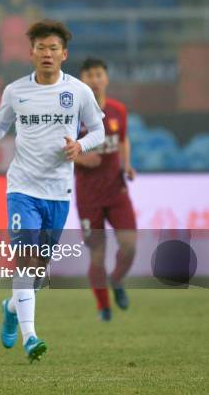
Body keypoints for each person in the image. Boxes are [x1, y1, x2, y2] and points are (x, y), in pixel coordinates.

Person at [0, 20, 105, 362]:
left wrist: (80, 145)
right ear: (31, 53)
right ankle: (30, 337)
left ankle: (10, 308)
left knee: (38, 269)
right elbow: (0, 125)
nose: (47, 54)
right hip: (22, 188)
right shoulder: (15, 91)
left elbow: (100, 131)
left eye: (53, 48)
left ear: (64, 54)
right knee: (26, 259)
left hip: (58, 191)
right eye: (41, 48)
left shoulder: (78, 92)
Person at [75, 57, 137, 322]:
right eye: (89, 75)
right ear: (81, 81)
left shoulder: (118, 110)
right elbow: (57, 148)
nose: (95, 79)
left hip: (116, 191)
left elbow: (122, 140)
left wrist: (127, 164)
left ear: (106, 78)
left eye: (99, 74)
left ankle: (117, 279)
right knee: (97, 254)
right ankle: (104, 308)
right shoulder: (73, 114)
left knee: (130, 245)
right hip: (88, 195)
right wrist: (80, 157)